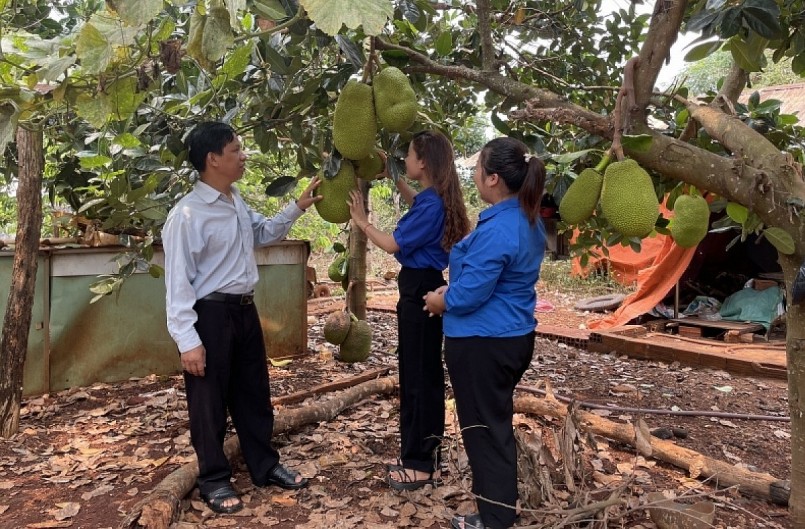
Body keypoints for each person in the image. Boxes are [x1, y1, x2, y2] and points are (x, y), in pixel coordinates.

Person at [163, 121, 320, 514]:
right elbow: (177, 284)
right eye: (236, 150)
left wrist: (298, 206)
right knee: (209, 402)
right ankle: (213, 479)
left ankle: (264, 465)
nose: (243, 156)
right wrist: (188, 340)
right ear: (213, 159)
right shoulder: (186, 216)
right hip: (209, 315)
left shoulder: (234, 201)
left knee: (254, 395)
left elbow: (262, 233)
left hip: (245, 311)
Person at [423, 137, 547, 529]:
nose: (474, 175)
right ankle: (499, 509)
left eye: (478, 169)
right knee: (494, 423)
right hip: (511, 336)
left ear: (493, 178)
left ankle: (494, 519)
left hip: (483, 344)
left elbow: (473, 293)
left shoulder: (500, 228)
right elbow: (489, 280)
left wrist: (440, 300)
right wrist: (453, 291)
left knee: (483, 431)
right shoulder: (525, 218)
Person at [347, 130, 471, 490]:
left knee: (418, 377)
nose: (405, 160)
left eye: (410, 156)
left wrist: (362, 219)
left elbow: (391, 244)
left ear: (425, 163)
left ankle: (420, 464)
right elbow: (417, 200)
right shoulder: (436, 198)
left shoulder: (432, 205)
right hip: (425, 284)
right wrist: (396, 177)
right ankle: (423, 456)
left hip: (419, 290)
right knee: (423, 372)